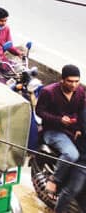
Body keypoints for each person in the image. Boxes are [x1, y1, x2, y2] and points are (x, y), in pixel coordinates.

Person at [36, 65, 84, 199]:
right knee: (71, 155)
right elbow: (39, 111)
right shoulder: (48, 92)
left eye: (76, 81)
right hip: (53, 131)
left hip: (72, 130)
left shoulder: (80, 92)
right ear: (62, 80)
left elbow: (81, 112)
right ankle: (54, 180)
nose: (74, 85)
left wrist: (80, 128)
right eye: (70, 81)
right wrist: (59, 120)